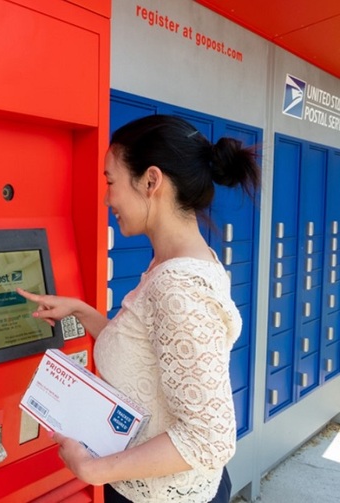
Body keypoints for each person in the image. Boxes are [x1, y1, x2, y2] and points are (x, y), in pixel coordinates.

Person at [17, 114, 260, 503]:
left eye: (111, 181)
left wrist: (92, 469)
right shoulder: (174, 265)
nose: (106, 197)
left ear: (151, 181)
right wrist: (81, 311)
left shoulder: (177, 287)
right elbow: (144, 350)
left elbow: (211, 438)